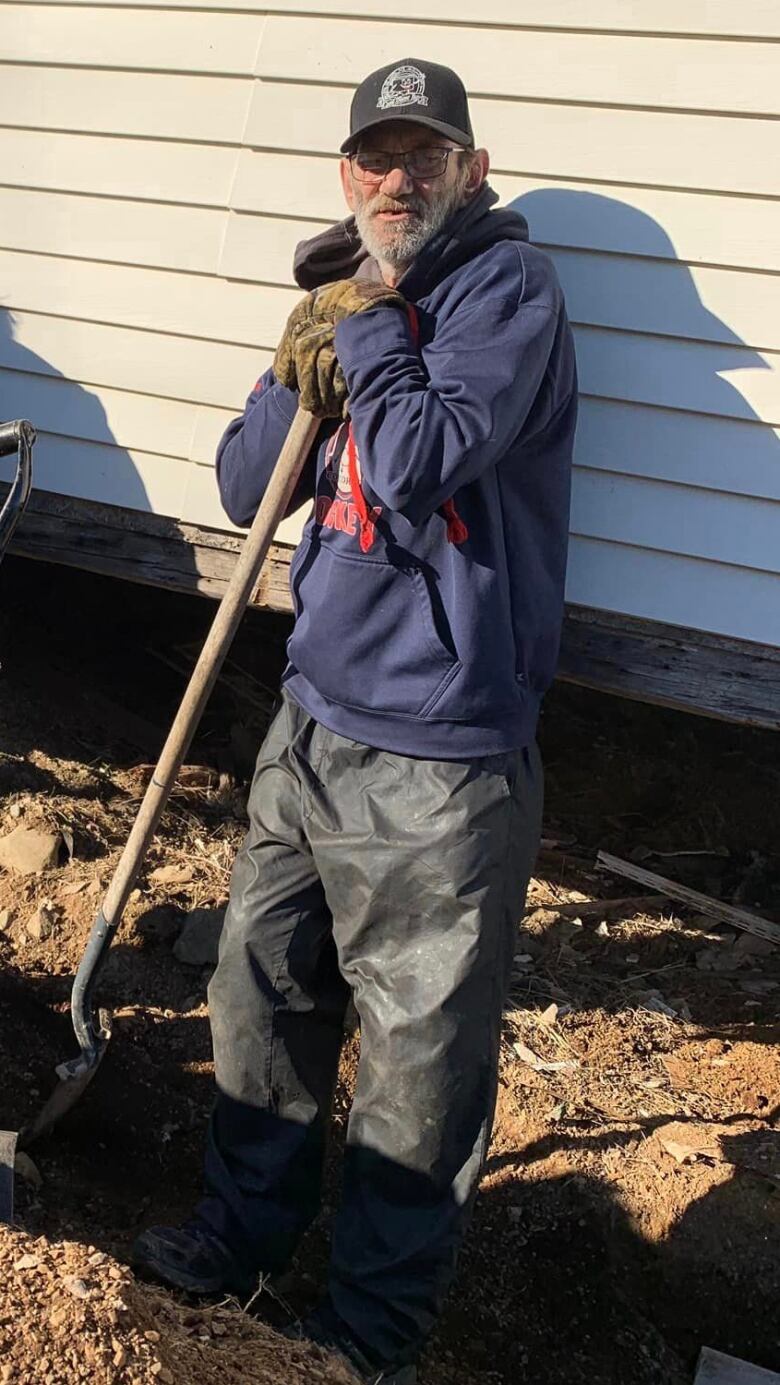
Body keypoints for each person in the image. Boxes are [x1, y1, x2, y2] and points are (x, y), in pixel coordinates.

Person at [133, 58, 577, 1385]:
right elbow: (236, 485)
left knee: (419, 1067)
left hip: (444, 754)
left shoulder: (508, 289)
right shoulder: (339, 299)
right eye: (374, 159)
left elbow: (436, 449)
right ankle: (243, 1234)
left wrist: (369, 324)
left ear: (470, 170)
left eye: (424, 155)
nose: (397, 180)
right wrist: (293, 372)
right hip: (311, 721)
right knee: (260, 993)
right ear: (346, 175)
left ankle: (366, 1334)